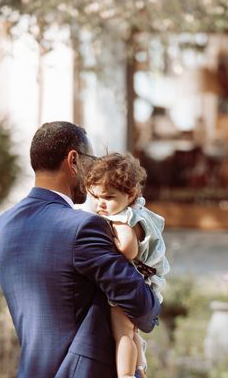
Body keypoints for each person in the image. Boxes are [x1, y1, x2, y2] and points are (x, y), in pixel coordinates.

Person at [0, 121, 160, 378]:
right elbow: (141, 305)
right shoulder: (82, 226)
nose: (94, 172)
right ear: (73, 160)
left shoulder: (4, 224)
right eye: (91, 161)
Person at [85, 153, 170, 378]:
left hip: (136, 283)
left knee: (122, 332)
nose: (100, 204)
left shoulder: (122, 220)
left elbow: (129, 249)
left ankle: (125, 375)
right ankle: (139, 369)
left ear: (130, 195)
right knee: (132, 333)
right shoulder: (136, 211)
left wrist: (108, 236)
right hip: (147, 283)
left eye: (108, 197)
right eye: (94, 197)